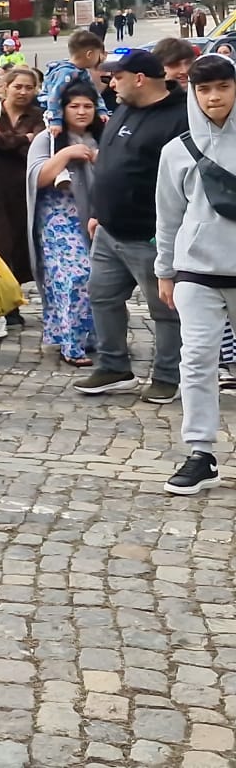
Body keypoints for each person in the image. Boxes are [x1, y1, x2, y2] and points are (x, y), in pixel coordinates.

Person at [72, 48, 189, 402]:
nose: (111, 83)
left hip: (150, 235)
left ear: (140, 78)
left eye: (118, 77)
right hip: (109, 230)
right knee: (102, 296)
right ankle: (114, 367)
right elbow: (109, 161)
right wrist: (98, 211)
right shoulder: (124, 107)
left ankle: (168, 376)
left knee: (165, 310)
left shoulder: (180, 117)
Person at [155, 52, 236, 495]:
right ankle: (201, 452)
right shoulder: (177, 151)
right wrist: (165, 271)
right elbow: (168, 217)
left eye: (223, 86)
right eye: (204, 89)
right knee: (197, 360)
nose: (213, 97)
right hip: (196, 272)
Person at [28, 84, 103, 366]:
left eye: (87, 106)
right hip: (58, 216)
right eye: (74, 106)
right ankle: (72, 344)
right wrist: (65, 155)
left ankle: (92, 336)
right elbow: (36, 178)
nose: (82, 112)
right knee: (75, 275)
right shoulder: (47, 139)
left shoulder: (102, 136)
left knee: (100, 278)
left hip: (95, 214)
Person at [0, 67, 44, 294]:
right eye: (18, 86)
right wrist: (23, 138)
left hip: (23, 188)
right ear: (6, 87)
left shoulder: (38, 115)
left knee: (21, 244)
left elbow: (36, 147)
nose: (23, 92)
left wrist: (6, 139)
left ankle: (13, 295)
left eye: (29, 87)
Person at [41, 29, 108, 129]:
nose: (101, 59)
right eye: (98, 55)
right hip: (54, 116)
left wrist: (101, 110)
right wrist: (55, 121)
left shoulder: (83, 72)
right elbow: (54, 97)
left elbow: (94, 92)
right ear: (89, 55)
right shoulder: (65, 73)